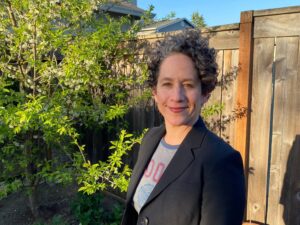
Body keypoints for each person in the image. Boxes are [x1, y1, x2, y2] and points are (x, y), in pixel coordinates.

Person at [121, 29, 245, 225]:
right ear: (155, 92)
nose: (176, 96)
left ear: (205, 93)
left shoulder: (221, 161)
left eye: (187, 84)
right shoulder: (150, 139)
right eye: (167, 84)